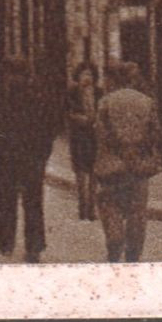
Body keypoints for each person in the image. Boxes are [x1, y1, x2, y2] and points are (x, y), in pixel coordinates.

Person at [93, 61, 161, 263]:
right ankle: (133, 252)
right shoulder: (146, 102)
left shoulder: (105, 102)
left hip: (112, 164)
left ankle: (115, 238)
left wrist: (117, 151)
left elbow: (100, 133)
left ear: (114, 79)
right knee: (136, 209)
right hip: (138, 165)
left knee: (109, 202)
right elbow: (155, 133)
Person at [0, 57, 55, 262]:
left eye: (14, 74)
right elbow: (47, 130)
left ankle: (6, 243)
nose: (12, 78)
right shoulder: (38, 97)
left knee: (7, 202)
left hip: (13, 159)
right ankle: (32, 246)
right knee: (31, 203)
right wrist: (42, 156)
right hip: (27, 159)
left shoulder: (7, 98)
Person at [66, 61, 101, 221]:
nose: (87, 78)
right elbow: (66, 113)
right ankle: (82, 206)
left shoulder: (99, 92)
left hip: (95, 136)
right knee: (80, 172)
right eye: (84, 74)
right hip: (79, 137)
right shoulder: (72, 93)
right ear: (78, 76)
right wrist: (79, 119)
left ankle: (91, 207)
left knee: (94, 171)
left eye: (90, 74)